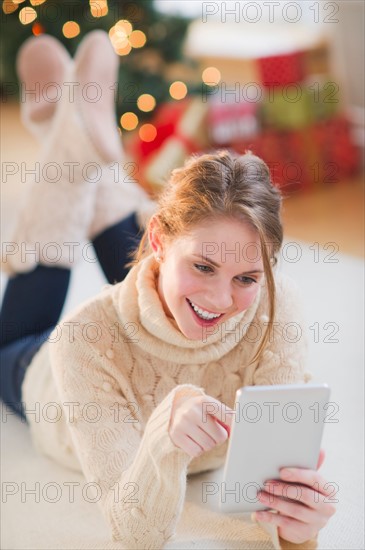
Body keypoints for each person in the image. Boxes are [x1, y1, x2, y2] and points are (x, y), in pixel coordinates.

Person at [0, 31, 335, 550]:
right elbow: (136, 532)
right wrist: (162, 437)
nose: (224, 301)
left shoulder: (276, 303)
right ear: (154, 238)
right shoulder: (84, 341)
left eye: (247, 277)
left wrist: (298, 531)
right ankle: (71, 142)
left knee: (188, 281)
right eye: (205, 267)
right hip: (41, 371)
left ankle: (69, 130)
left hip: (153, 293)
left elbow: (274, 489)